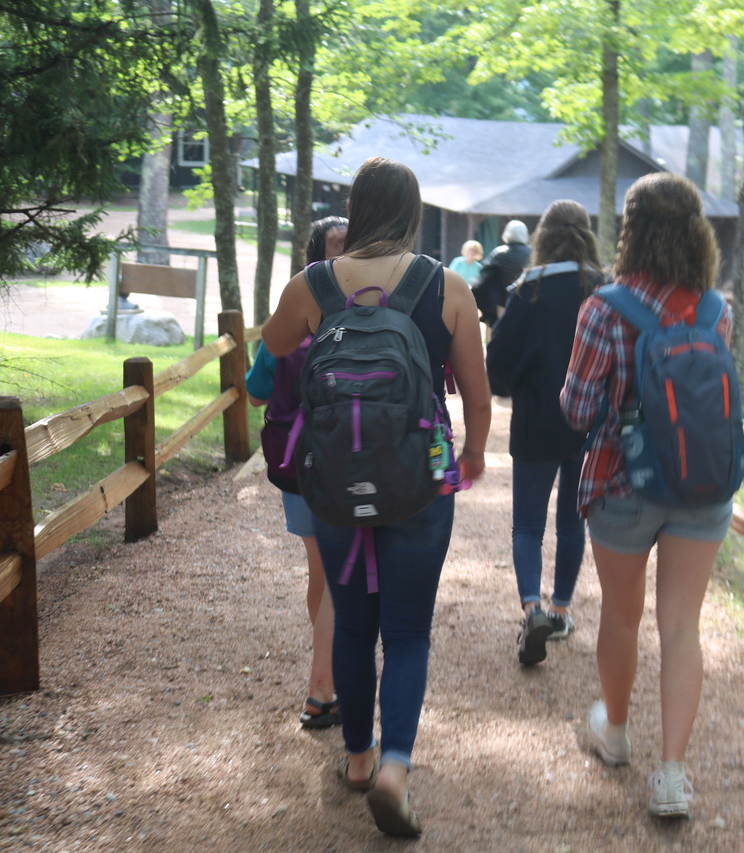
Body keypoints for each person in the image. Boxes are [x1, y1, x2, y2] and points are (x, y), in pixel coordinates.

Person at [262, 158, 491, 838]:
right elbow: (478, 394)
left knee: (354, 623)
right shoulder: (445, 285)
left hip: (332, 481)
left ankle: (356, 758)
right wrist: (472, 455)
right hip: (420, 480)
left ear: (357, 208)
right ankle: (395, 765)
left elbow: (274, 346)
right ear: (413, 210)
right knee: (409, 630)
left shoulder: (315, 283)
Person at [559, 172, 734, 820]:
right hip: (701, 485)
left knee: (622, 615)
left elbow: (577, 410)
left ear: (630, 231)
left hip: (620, 482)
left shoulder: (604, 307)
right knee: (682, 626)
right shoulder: (715, 310)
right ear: (697, 233)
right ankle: (672, 775)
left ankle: (618, 732)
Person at [485, 200, 602, 666]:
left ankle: (531, 606)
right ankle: (561, 610)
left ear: (543, 237)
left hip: (535, 418)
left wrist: (510, 388)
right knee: (574, 521)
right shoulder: (601, 288)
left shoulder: (528, 291)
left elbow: (498, 358)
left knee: (529, 524)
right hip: (588, 423)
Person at [246, 215, 348, 730]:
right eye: (337, 247)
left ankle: (327, 675)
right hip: (334, 462)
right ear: (315, 254)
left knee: (323, 571)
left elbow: (257, 389)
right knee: (331, 573)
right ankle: (322, 686)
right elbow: (257, 388)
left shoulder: (291, 313)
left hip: (297, 459)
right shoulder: (369, 310)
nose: (344, 255)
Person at [471, 219, 530, 328]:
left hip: (501, 305)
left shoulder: (499, 253)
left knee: (498, 334)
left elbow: (483, 278)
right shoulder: (531, 253)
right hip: (526, 301)